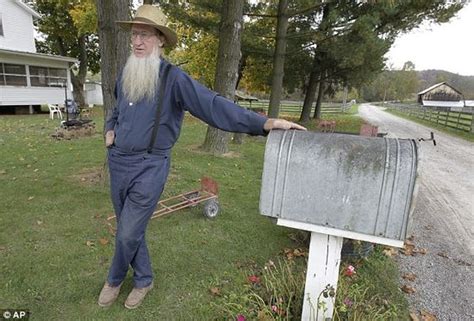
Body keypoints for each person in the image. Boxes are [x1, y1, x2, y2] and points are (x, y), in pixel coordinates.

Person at [98, 4, 306, 309]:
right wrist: (109, 129)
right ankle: (144, 279)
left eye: (145, 35)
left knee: (128, 232)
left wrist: (264, 123)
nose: (137, 42)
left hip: (150, 167)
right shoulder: (126, 73)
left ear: (161, 40)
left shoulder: (174, 79)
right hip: (118, 163)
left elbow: (213, 106)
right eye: (134, 35)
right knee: (132, 228)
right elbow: (117, 109)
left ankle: (114, 279)